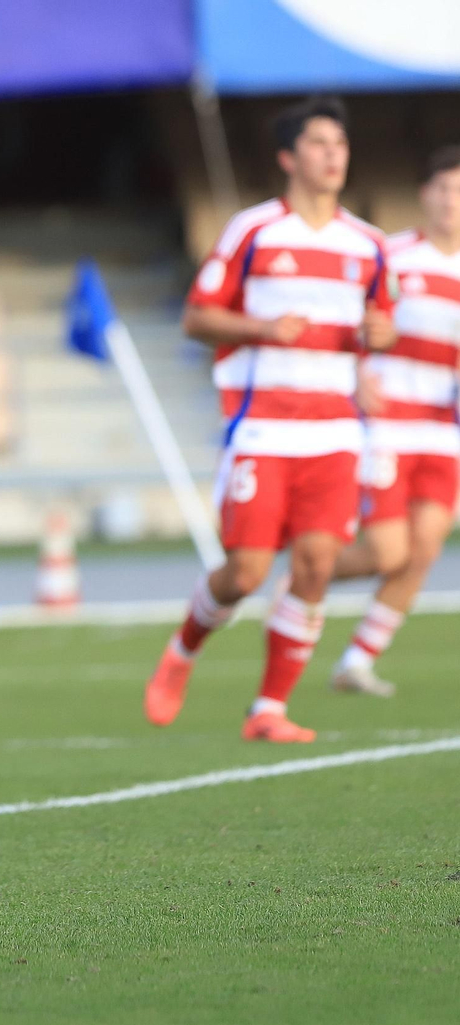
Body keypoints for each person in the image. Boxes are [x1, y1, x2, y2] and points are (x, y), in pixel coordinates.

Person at [143, 96, 396, 742]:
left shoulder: (368, 244)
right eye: (318, 143)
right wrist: (261, 327)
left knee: (314, 566)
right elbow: (197, 317)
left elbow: (379, 328)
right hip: (264, 427)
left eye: (339, 144)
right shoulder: (252, 230)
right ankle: (184, 648)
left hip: (335, 432)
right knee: (248, 572)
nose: (332, 155)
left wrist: (378, 335)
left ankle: (269, 709)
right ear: (289, 157)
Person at [327, 146, 460, 696]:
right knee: (388, 551)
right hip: (387, 421)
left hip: (442, 427)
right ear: (424, 194)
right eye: (444, 189)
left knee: (425, 547)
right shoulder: (393, 255)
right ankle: (308, 572)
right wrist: (355, 372)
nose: (453, 201)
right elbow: (342, 317)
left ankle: (356, 661)